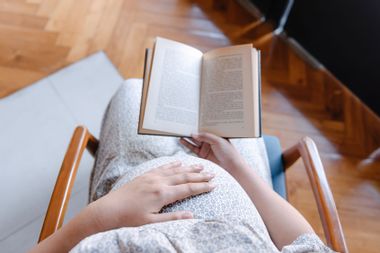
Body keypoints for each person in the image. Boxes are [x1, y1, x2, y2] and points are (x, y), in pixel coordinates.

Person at [30, 80, 334, 253]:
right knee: (218, 116)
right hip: (241, 188)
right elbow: (304, 244)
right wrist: (237, 168)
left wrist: (102, 216)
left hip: (125, 199)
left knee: (135, 90)